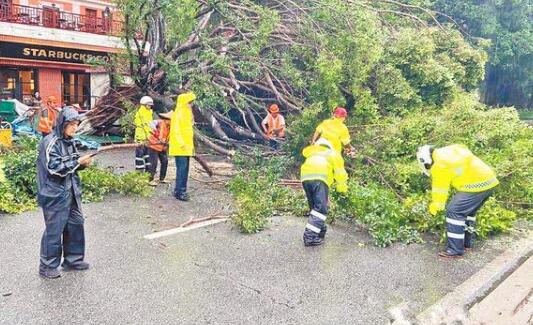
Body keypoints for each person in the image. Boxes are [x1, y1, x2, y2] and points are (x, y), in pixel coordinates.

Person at [37, 107, 94, 279]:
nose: (74, 128)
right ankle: (47, 266)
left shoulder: (69, 141)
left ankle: (73, 260)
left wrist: (82, 164)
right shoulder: (50, 142)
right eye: (71, 124)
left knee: (76, 224)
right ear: (62, 124)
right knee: (54, 230)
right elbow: (54, 169)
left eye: (76, 124)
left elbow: (71, 167)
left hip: (70, 191)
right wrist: (77, 161)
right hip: (54, 194)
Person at [416, 144, 499, 258]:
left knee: (454, 210)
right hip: (490, 181)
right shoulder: (449, 150)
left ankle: (456, 250)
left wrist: (435, 207)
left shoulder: (440, 165)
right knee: (468, 211)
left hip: (476, 185)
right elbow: (464, 148)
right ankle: (466, 244)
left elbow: (440, 190)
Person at [301, 138, 348, 246]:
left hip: (305, 178)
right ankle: (310, 237)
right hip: (320, 178)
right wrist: (342, 189)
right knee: (321, 209)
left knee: (315, 207)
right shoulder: (332, 154)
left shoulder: (312, 154)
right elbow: (340, 173)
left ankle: (320, 230)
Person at [168, 92, 196, 201]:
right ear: (185, 103)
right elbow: (176, 131)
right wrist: (182, 144)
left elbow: (190, 128)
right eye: (189, 103)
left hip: (186, 147)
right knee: (182, 170)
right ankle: (180, 192)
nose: (191, 105)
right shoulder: (179, 114)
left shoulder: (186, 113)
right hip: (180, 147)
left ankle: (179, 190)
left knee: (184, 169)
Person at [147, 115, 170, 186]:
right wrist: (155, 130)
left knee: (165, 161)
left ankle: (162, 178)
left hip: (162, 146)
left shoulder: (171, 127)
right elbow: (150, 123)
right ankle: (150, 180)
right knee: (153, 163)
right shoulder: (159, 122)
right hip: (154, 145)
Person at [134, 96, 154, 172]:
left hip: (148, 138)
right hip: (140, 138)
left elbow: (150, 125)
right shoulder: (139, 113)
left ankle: (148, 173)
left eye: (150, 105)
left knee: (147, 156)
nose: (150, 106)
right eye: (148, 105)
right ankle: (139, 172)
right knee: (139, 156)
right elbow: (139, 124)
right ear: (144, 105)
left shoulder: (149, 113)